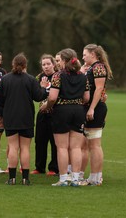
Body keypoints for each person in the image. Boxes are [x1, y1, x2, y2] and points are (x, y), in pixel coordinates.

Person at [0, 53, 49, 186]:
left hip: (10, 117)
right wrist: (43, 86)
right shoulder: (30, 79)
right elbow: (39, 97)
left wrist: (0, 115)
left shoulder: (5, 79)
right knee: (25, 148)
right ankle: (25, 178)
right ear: (25, 65)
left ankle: (12, 178)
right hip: (26, 117)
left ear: (13, 64)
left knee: (13, 147)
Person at [40, 48, 90, 187]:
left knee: (62, 147)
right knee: (76, 147)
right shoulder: (83, 76)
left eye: (60, 60)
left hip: (62, 111)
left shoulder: (58, 76)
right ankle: (75, 179)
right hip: (78, 111)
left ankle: (63, 179)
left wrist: (47, 106)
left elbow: (53, 97)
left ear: (64, 61)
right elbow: (86, 98)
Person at [80, 43, 112, 186]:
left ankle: (95, 178)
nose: (83, 57)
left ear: (93, 54)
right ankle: (95, 177)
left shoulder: (98, 67)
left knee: (95, 145)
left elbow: (99, 89)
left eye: (85, 54)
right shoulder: (91, 68)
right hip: (91, 107)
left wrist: (92, 108)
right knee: (90, 144)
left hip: (96, 108)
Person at [31, 54, 59, 176]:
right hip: (42, 113)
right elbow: (36, 96)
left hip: (56, 113)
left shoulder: (58, 77)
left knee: (55, 142)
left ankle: (54, 168)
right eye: (44, 64)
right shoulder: (39, 77)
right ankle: (39, 167)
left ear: (54, 64)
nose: (46, 67)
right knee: (40, 141)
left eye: (48, 64)